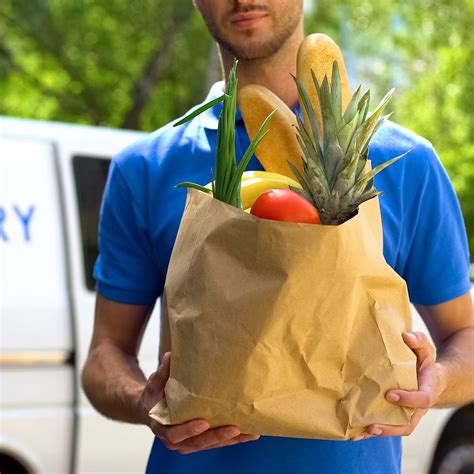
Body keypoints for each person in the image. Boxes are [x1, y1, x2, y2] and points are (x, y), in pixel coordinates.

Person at [82, 1, 474, 473]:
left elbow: (464, 335)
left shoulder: (406, 162)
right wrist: (144, 403)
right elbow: (104, 355)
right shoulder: (144, 168)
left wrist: (437, 382)